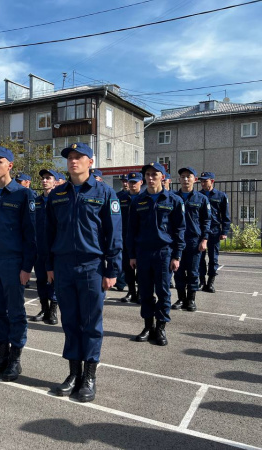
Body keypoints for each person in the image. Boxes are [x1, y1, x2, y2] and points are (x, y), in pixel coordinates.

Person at [46, 143, 122, 403]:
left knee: (90, 323)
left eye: (79, 157)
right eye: (70, 157)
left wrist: (112, 269)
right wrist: (49, 266)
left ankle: (89, 377)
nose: (73, 161)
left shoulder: (105, 193)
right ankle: (74, 373)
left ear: (91, 162)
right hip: (63, 265)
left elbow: (114, 234)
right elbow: (48, 232)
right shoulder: (57, 194)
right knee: (70, 322)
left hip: (92, 266)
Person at [0, 146, 37, 382]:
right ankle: (2, 356)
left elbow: (31, 234)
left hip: (13, 262)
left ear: (10, 165)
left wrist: (27, 267)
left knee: (16, 312)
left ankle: (15, 360)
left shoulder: (23, 195)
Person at [127, 162, 185, 346]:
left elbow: (180, 229)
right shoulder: (138, 201)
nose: (150, 178)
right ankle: (148, 326)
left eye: (154, 174)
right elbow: (131, 230)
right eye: (148, 175)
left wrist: (177, 255)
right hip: (143, 253)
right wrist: (132, 255)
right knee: (145, 292)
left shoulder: (174, 200)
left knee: (163, 292)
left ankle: (160, 328)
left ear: (163, 177)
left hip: (164, 253)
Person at [171, 167, 210, 312]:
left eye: (189, 176)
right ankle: (181, 298)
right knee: (178, 271)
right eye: (183, 176)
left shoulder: (202, 199)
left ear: (195, 179)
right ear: (179, 179)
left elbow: (207, 221)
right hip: (176, 241)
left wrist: (204, 239)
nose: (186, 179)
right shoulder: (173, 198)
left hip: (194, 241)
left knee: (193, 272)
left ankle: (191, 300)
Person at [30, 169, 59, 325]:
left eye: (48, 178)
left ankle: (53, 310)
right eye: (43, 178)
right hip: (39, 247)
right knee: (41, 279)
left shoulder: (59, 200)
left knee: (54, 280)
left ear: (55, 182)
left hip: (54, 248)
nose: (44, 181)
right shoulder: (36, 201)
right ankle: (44, 309)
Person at [199, 172, 230, 293]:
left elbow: (225, 215)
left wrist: (224, 231)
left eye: (205, 181)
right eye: (201, 181)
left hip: (214, 230)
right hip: (201, 230)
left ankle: (210, 282)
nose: (202, 183)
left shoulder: (221, 195)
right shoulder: (198, 195)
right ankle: (201, 281)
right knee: (200, 257)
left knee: (213, 258)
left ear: (212, 181)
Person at [118, 172, 143, 303]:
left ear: (141, 183)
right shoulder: (120, 197)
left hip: (141, 238)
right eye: (130, 182)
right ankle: (131, 292)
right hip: (125, 237)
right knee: (127, 267)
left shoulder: (144, 197)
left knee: (141, 267)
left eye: (135, 182)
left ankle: (140, 292)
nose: (132, 184)